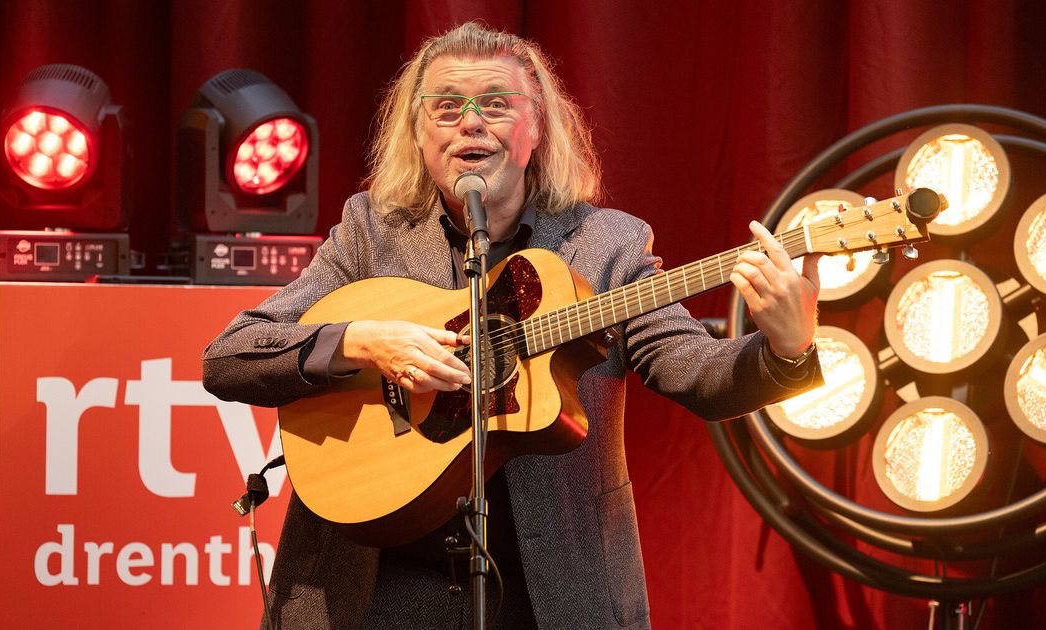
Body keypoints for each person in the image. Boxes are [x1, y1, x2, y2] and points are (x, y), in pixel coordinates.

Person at [203, 21, 823, 630]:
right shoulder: (369, 233)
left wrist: (788, 348)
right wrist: (362, 342)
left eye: (496, 105)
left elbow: (697, 373)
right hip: (370, 589)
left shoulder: (606, 246)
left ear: (536, 132)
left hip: (548, 593)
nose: (471, 122)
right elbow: (229, 358)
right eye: (446, 107)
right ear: (418, 136)